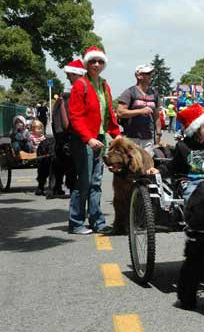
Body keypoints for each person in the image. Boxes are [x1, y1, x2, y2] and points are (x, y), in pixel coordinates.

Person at [68, 46, 121, 235]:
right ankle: (76, 222)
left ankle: (97, 221)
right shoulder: (80, 85)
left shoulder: (104, 85)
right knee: (84, 181)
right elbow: (75, 116)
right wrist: (88, 138)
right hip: (85, 140)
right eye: (92, 61)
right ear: (86, 63)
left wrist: (117, 134)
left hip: (99, 139)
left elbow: (109, 114)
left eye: (100, 62)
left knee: (96, 182)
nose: (96, 65)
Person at [147, 104, 204, 204]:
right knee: (194, 196)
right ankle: (194, 218)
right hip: (189, 182)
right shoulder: (183, 146)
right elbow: (173, 166)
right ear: (195, 128)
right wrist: (158, 170)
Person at [49, 59, 87, 197]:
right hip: (74, 137)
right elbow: (65, 124)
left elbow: (62, 125)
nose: (67, 77)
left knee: (61, 163)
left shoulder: (71, 95)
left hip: (70, 137)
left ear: (76, 74)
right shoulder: (74, 94)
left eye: (69, 74)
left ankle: (60, 187)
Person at [117, 64, 161, 155]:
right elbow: (120, 112)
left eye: (151, 73)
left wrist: (158, 133)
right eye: (148, 73)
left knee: (147, 166)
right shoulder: (129, 92)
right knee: (132, 166)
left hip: (148, 137)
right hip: (131, 137)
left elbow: (156, 116)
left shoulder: (154, 94)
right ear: (139, 76)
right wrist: (140, 111)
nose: (151, 76)